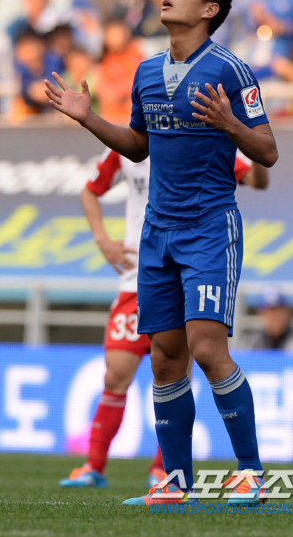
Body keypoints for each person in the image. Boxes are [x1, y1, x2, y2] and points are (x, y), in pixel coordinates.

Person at [45, 0, 278, 505]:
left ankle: (251, 473)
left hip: (209, 228)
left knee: (207, 350)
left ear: (210, 9)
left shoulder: (232, 70)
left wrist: (230, 125)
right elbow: (138, 146)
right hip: (157, 233)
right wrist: (88, 118)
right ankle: (175, 484)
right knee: (166, 358)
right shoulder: (147, 72)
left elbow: (267, 152)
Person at [60, 147, 269, 489]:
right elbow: (90, 189)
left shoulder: (196, 137)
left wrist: (255, 146)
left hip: (189, 269)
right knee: (116, 373)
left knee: (182, 367)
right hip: (139, 275)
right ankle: (94, 466)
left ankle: (167, 471)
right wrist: (103, 240)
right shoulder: (128, 146)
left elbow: (256, 179)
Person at [241, 288, 293, 352]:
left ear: (288, 312)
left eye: (279, 311)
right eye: (270, 312)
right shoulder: (252, 341)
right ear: (261, 314)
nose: (275, 317)